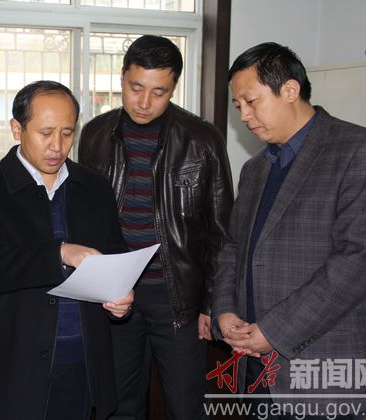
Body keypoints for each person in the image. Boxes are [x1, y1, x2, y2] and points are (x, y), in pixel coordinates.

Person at [212, 42, 366, 419]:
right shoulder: (256, 169)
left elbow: (356, 262)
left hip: (327, 366)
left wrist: (274, 331)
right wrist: (225, 311)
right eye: (238, 106)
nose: (244, 116)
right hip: (256, 367)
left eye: (251, 101)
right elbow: (233, 249)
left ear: (290, 90)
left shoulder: (362, 151)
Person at [0, 80, 134, 420]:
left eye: (67, 133)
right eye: (46, 133)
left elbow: (114, 257)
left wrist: (121, 297)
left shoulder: (94, 188)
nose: (57, 146)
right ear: (16, 129)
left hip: (82, 356)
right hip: (15, 363)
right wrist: (60, 252)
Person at [78, 35, 233, 419]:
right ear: (121, 78)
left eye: (158, 92)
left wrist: (212, 304)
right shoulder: (95, 134)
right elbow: (86, 217)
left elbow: (222, 232)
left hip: (177, 296)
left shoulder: (202, 139)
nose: (144, 102)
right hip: (116, 295)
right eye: (136, 88)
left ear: (173, 88)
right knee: (118, 404)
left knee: (185, 405)